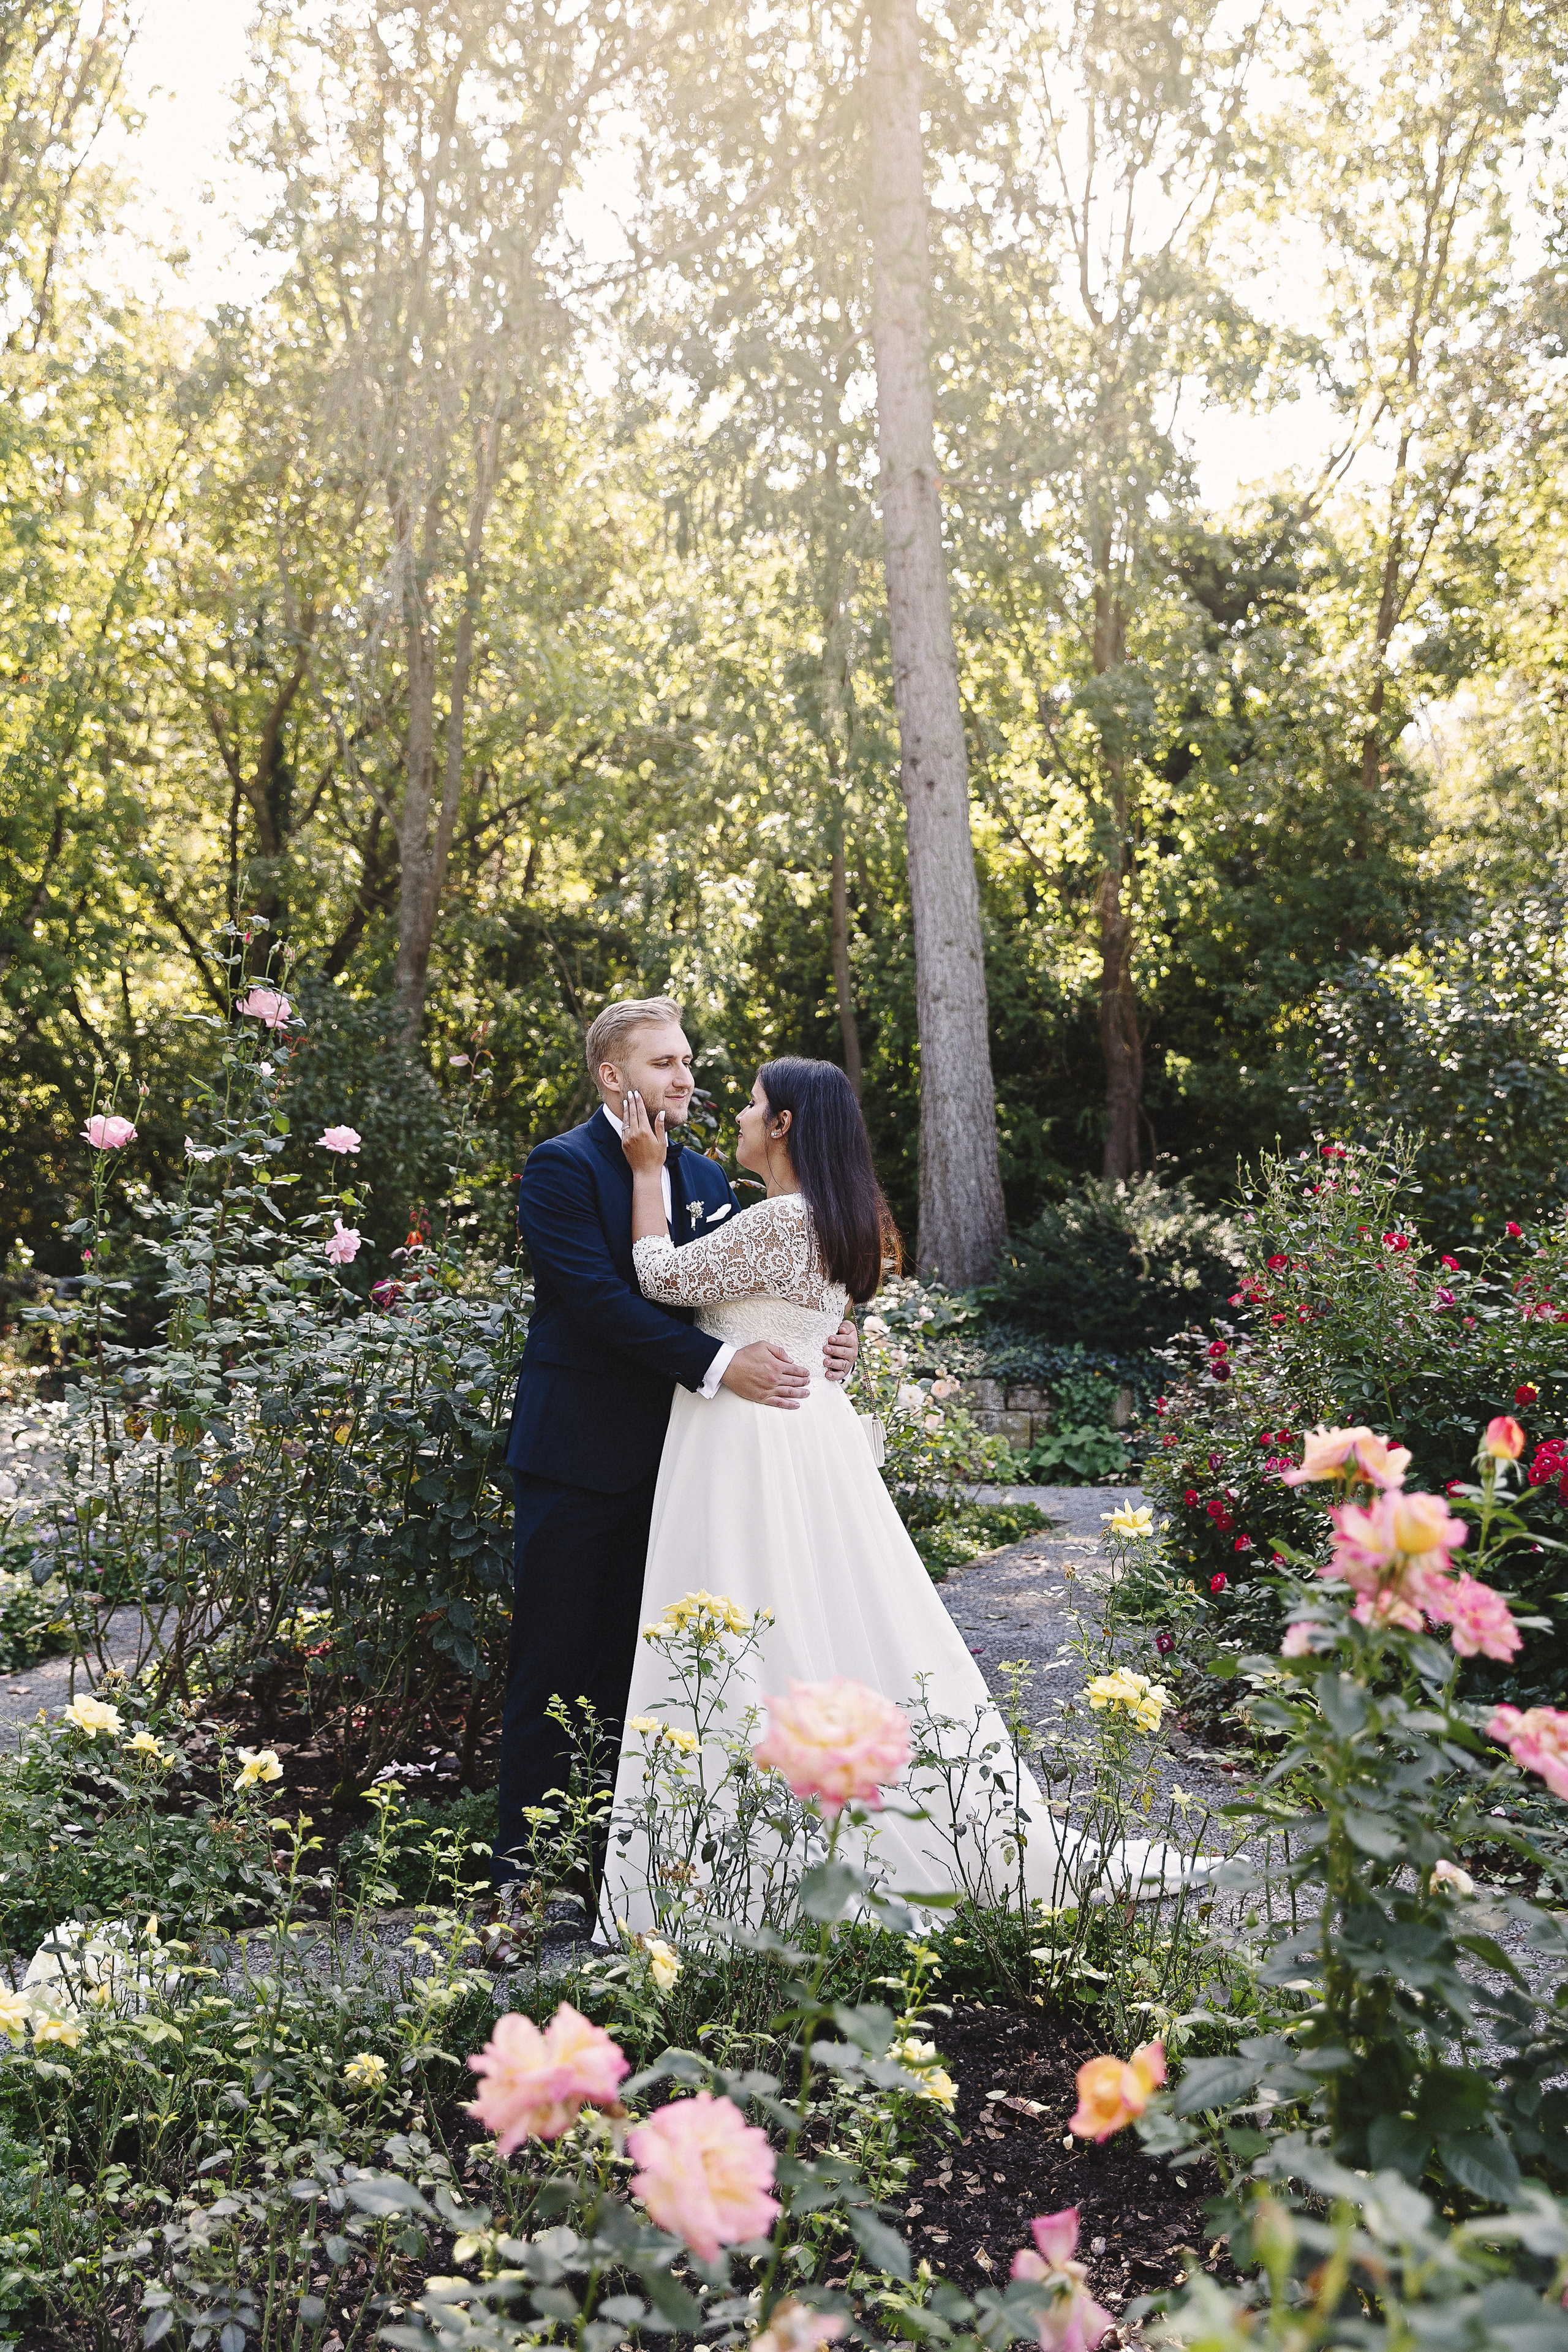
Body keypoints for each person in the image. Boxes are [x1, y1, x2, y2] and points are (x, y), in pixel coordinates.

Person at [601, 1054, 1207, 1932]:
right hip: (806, 1431)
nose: (738, 1114)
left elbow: (659, 1277)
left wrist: (645, 1171)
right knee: (806, 1615)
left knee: (753, 1614)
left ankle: (752, 1863)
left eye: (753, 1104)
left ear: (784, 1125)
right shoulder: (839, 1218)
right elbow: (812, 1324)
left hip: (754, 1440)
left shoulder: (782, 1220)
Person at [496, 1000, 858, 1898]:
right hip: (579, 1457)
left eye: (688, 1060)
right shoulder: (561, 1166)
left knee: (655, 1675)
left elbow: (740, 1292)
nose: (686, 1077)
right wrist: (723, 1366)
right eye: (663, 1063)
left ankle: (634, 1871)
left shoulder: (702, 1176)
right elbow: (599, 1302)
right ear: (612, 1075)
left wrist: (825, 1339)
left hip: (692, 1465)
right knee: (554, 1667)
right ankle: (527, 1881)